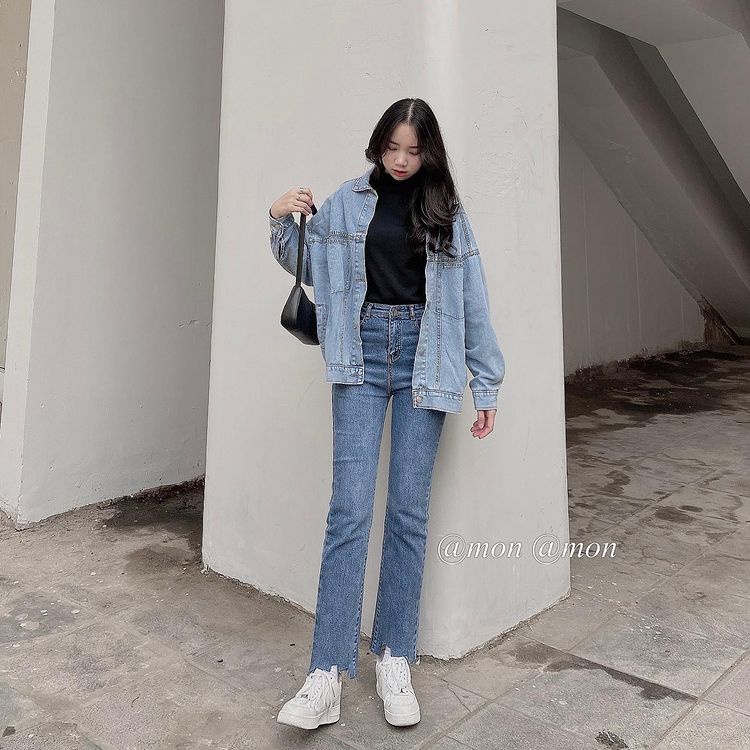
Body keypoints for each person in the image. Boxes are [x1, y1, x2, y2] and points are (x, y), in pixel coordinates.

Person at [268, 98, 505, 730]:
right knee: (348, 511)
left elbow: (472, 298)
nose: (401, 161)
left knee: (407, 512)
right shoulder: (346, 202)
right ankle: (325, 673)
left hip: (428, 356)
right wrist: (280, 218)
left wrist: (486, 384)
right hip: (362, 353)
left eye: (413, 150)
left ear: (429, 153)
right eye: (393, 148)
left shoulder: (446, 212)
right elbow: (308, 265)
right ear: (378, 145)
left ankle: (394, 657)